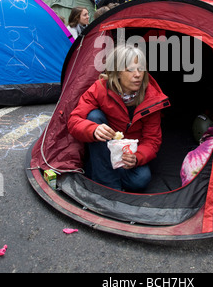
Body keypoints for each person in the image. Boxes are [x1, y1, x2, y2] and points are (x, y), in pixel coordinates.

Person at [67, 44, 170, 191]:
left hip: (129, 153)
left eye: (141, 68)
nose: (138, 74)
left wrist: (137, 157)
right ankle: (108, 186)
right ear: (117, 72)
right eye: (130, 69)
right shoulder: (100, 88)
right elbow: (73, 121)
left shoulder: (152, 98)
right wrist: (93, 130)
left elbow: (152, 140)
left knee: (141, 180)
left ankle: (98, 170)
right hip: (104, 147)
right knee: (94, 116)